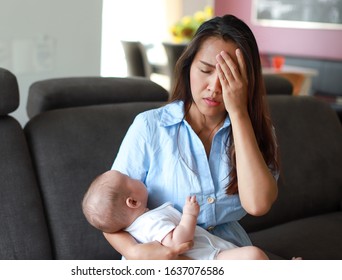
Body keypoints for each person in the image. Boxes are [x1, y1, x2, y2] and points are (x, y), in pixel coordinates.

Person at [105, 14, 280, 259]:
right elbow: (108, 208)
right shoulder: (150, 127)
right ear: (189, 66)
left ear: (247, 82)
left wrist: (239, 113)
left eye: (230, 78)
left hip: (225, 253)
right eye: (206, 70)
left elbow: (258, 204)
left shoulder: (255, 131)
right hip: (160, 255)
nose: (214, 87)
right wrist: (134, 252)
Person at [82, 170, 268, 260]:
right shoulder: (150, 222)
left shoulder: (138, 227)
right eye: (130, 180)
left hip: (211, 256)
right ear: (133, 202)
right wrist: (189, 216)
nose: (135, 178)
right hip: (207, 260)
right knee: (254, 256)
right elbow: (176, 244)